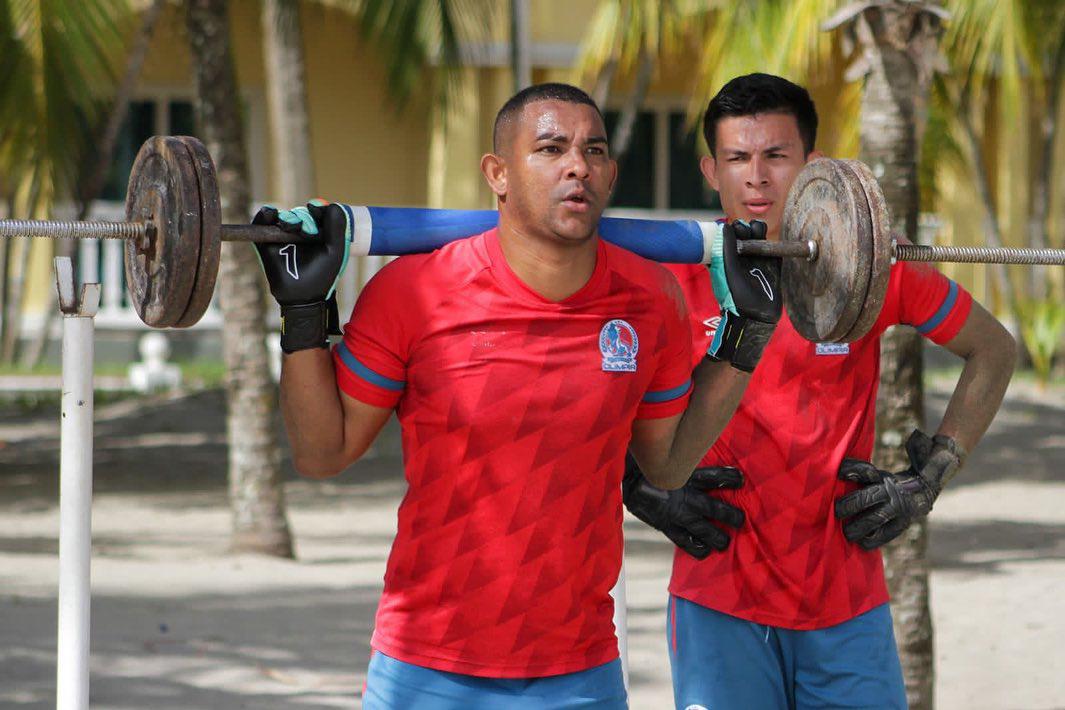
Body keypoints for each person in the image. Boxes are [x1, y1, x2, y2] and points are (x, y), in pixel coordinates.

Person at [252, 82, 782, 709]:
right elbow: (322, 453)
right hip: (426, 666)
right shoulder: (413, 293)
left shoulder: (652, 299)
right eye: (551, 148)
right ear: (497, 173)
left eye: (593, 150)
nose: (576, 165)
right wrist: (305, 316)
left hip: (579, 672)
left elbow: (667, 464)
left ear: (610, 174)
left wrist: (745, 339)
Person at [622, 73, 1018, 709]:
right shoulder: (669, 279)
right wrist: (637, 485)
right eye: (737, 158)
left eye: (776, 156)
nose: (757, 177)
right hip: (717, 596)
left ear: (810, 165)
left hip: (846, 602)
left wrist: (932, 476)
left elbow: (994, 350)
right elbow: (582, 387)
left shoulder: (867, 271)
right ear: (710, 170)